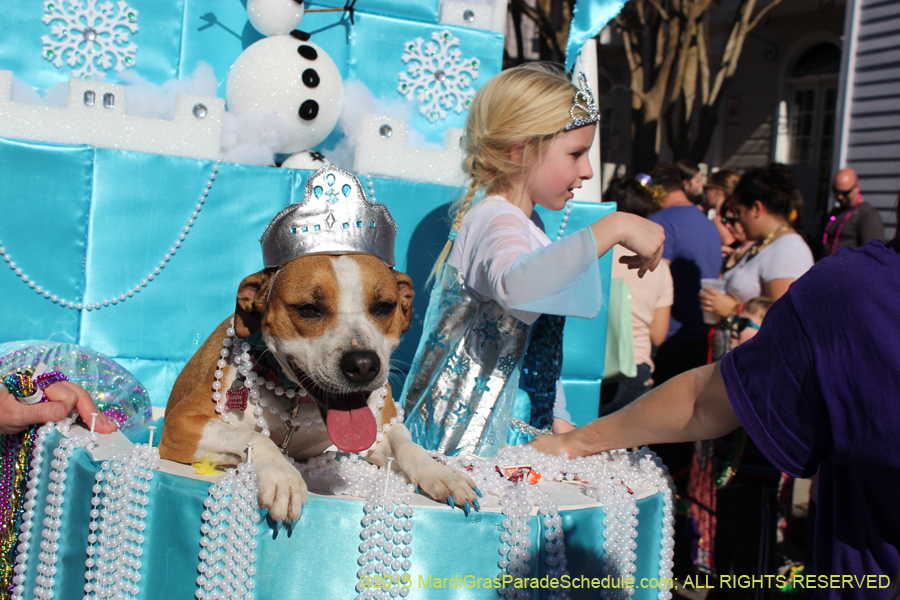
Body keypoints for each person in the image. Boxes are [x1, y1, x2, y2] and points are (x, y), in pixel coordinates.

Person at [531, 195, 900, 596]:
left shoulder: (854, 289)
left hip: (863, 570)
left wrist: (577, 441)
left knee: (749, 534)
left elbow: (705, 400)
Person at [401, 63, 664, 457]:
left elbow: (533, 345)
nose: (588, 171)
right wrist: (613, 227)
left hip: (505, 426)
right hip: (464, 441)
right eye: (576, 153)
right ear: (521, 150)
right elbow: (518, 286)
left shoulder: (525, 222)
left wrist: (554, 413)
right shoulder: (496, 217)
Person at [688, 297, 782, 597]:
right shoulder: (732, 368)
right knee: (725, 550)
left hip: (757, 486)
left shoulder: (772, 375)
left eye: (743, 324)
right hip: (729, 480)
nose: (734, 330)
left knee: (753, 564)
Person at [700, 164, 813, 321]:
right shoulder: (764, 244)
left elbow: (787, 320)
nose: (737, 220)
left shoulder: (786, 250)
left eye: (739, 212)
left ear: (756, 209)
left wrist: (733, 310)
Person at [599, 176, 673, 416]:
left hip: (595, 366)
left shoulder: (596, 251)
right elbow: (659, 335)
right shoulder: (659, 265)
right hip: (637, 369)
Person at [648, 163, 721, 384]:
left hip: (669, 336)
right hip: (701, 332)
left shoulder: (661, 222)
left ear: (657, 191)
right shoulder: (707, 223)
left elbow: (654, 276)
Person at [821, 167, 883, 258]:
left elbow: (873, 254)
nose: (840, 197)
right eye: (836, 191)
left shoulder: (867, 215)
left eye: (845, 193)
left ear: (856, 187)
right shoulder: (835, 212)